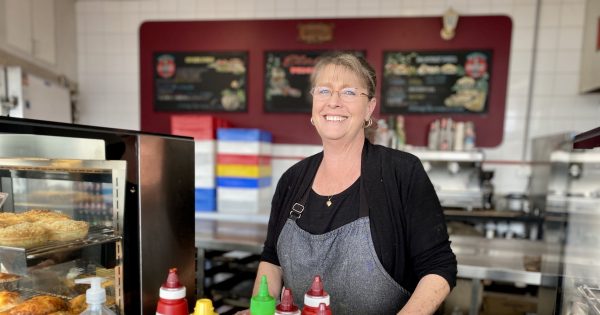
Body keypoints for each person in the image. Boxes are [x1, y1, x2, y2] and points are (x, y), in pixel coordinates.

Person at [238, 52, 457, 314]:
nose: (334, 102)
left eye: (350, 92)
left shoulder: (401, 172)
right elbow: (272, 260)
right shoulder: (292, 180)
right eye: (324, 91)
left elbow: (438, 266)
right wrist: (259, 310)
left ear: (369, 108)